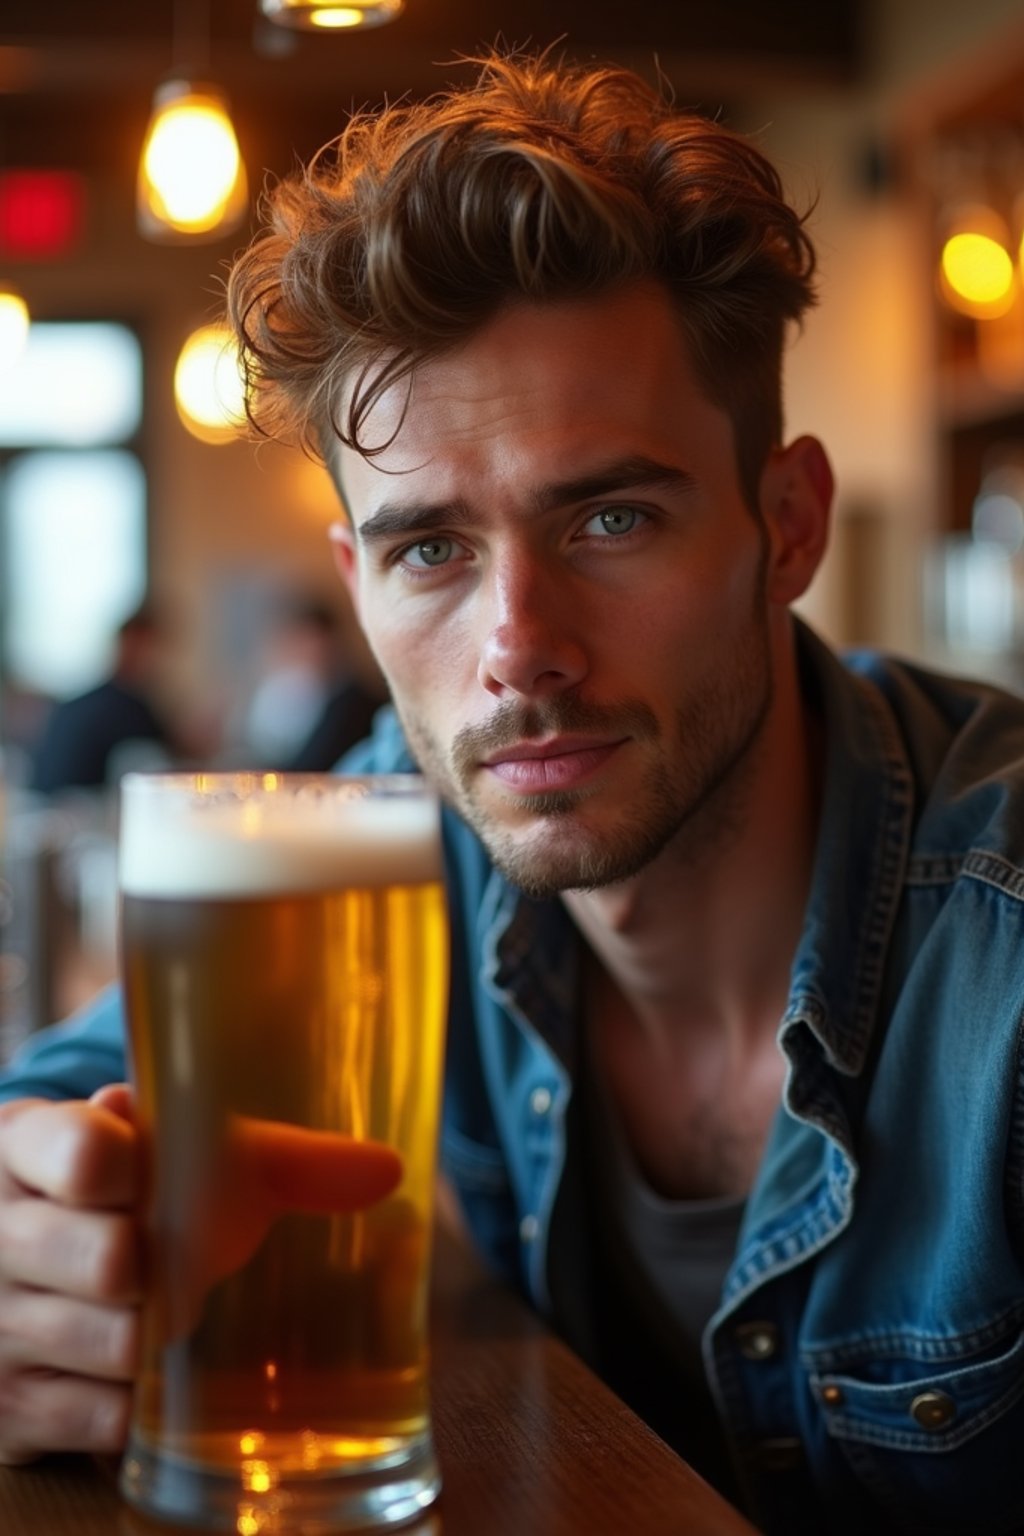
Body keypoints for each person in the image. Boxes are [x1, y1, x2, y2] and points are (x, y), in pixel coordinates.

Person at [0, 48, 1022, 1536]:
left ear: (786, 525)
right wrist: (36, 1242)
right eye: (430, 551)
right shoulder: (373, 845)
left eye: (609, 516)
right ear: (358, 588)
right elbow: (54, 1106)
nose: (518, 653)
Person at [29, 605, 174, 795]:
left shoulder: (78, 704)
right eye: (152, 647)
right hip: (85, 817)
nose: (156, 659)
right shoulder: (127, 710)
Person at [239, 591, 384, 770]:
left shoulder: (352, 702)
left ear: (328, 642)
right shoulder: (290, 693)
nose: (295, 651)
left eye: (304, 641)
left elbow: (308, 768)